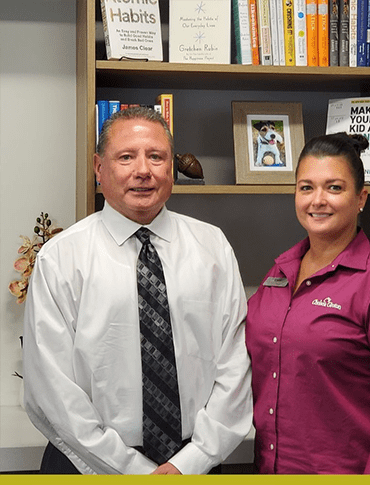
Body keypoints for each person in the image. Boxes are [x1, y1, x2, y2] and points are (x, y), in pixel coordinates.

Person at [23, 106, 252, 475]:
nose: (143, 170)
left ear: (171, 168)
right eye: (126, 157)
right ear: (100, 169)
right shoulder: (60, 258)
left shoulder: (213, 248)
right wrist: (133, 471)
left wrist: (189, 463)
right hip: (87, 464)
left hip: (194, 463)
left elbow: (235, 366)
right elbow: (50, 387)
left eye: (156, 157)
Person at [245, 132, 370, 474]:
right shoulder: (279, 273)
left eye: (334, 187)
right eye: (306, 187)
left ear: (361, 197)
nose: (317, 200)